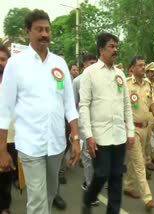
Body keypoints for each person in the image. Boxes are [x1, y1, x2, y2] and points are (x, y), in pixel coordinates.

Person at [0, 9, 80, 214]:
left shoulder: (59, 63)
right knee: (36, 200)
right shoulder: (16, 64)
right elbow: (4, 110)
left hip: (56, 144)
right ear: (28, 32)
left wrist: (76, 138)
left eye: (47, 29)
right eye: (39, 29)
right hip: (30, 145)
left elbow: (69, 105)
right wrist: (1, 149)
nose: (45, 34)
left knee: (51, 192)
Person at [80, 32, 134, 214]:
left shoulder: (120, 74)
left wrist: (131, 132)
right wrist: (88, 135)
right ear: (101, 49)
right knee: (102, 174)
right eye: (111, 46)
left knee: (116, 177)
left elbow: (127, 105)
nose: (115, 50)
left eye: (116, 46)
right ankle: (88, 197)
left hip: (119, 135)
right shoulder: (90, 73)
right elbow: (84, 106)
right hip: (99, 136)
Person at [123, 56, 154, 210]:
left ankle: (127, 185)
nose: (142, 68)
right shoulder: (126, 84)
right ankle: (147, 198)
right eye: (139, 65)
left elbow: (153, 105)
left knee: (134, 160)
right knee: (139, 163)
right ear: (132, 68)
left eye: (143, 65)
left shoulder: (148, 85)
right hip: (132, 129)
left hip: (146, 127)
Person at [72, 53, 97, 195]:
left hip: (99, 123)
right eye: (90, 63)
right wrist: (74, 129)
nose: (93, 65)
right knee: (87, 156)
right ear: (84, 66)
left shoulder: (100, 79)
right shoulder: (77, 82)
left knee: (98, 155)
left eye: (95, 62)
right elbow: (73, 105)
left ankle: (96, 181)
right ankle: (89, 187)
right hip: (83, 123)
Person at [0, 45, 17, 214]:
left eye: (3, 59)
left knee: (6, 180)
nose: (0, 63)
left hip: (11, 139)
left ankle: (5, 209)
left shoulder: (14, 85)